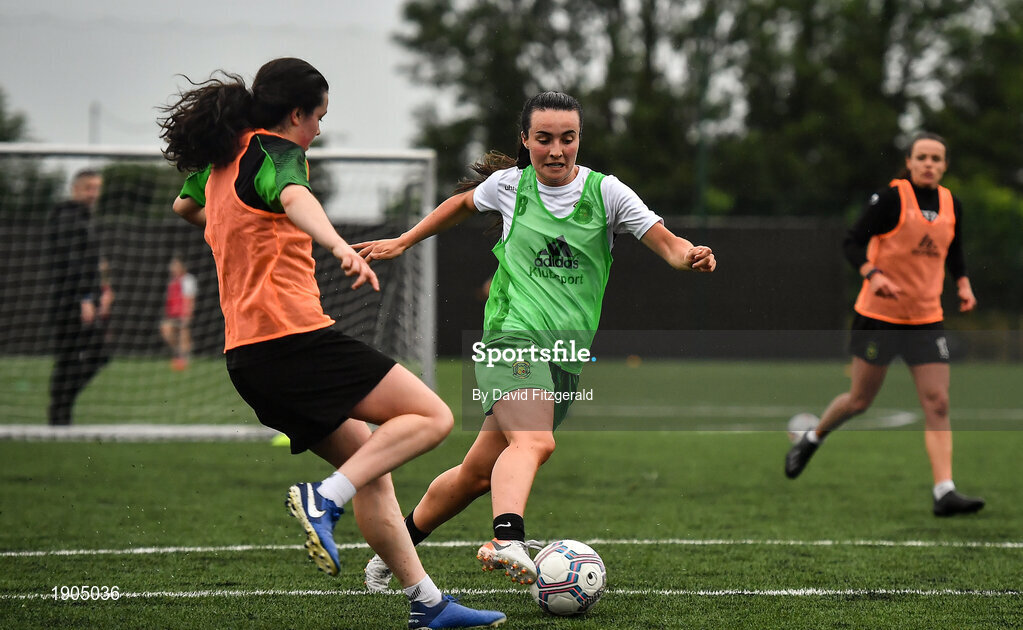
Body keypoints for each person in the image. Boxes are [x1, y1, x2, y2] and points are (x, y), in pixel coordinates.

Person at [159, 57, 506, 629]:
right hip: (293, 341)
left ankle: (428, 605)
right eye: (317, 116)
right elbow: (296, 198)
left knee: (372, 464)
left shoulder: (225, 159)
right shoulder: (277, 153)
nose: (318, 129)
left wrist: (239, 230)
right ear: (295, 114)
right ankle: (324, 499)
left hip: (247, 359)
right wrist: (339, 245)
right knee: (432, 417)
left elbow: (185, 207)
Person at [355, 91, 716, 590]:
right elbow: (461, 203)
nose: (555, 150)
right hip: (510, 337)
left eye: (567, 139)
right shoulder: (509, 187)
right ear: (525, 140)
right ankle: (507, 540)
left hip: (563, 357)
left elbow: (671, 247)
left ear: (578, 140)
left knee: (477, 475)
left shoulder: (608, 194)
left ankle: (394, 548)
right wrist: (403, 241)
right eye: (543, 139)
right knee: (534, 441)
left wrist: (692, 255)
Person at [785, 132, 984, 517]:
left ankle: (944, 491)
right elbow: (851, 242)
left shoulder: (951, 204)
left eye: (936, 159)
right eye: (922, 157)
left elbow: (954, 249)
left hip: (926, 318)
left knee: (938, 402)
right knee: (860, 401)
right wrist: (873, 274)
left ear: (945, 165)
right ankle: (813, 438)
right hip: (879, 317)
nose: (929, 164)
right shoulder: (891, 199)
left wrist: (962, 283)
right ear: (908, 162)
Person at [48, 169, 113, 426]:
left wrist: (103, 290)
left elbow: (91, 263)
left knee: (79, 357)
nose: (93, 194)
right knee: (80, 356)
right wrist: (85, 298)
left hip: (80, 300)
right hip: (70, 302)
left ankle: (60, 412)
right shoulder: (68, 218)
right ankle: (59, 411)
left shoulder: (84, 218)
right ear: (75, 188)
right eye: (88, 188)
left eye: (97, 188)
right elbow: (71, 263)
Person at [160, 256, 197, 370]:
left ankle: (185, 359)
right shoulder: (172, 282)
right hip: (173, 315)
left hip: (184, 315)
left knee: (184, 333)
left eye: (175, 265)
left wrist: (187, 316)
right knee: (166, 329)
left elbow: (190, 300)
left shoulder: (188, 280)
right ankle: (179, 354)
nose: (172, 268)